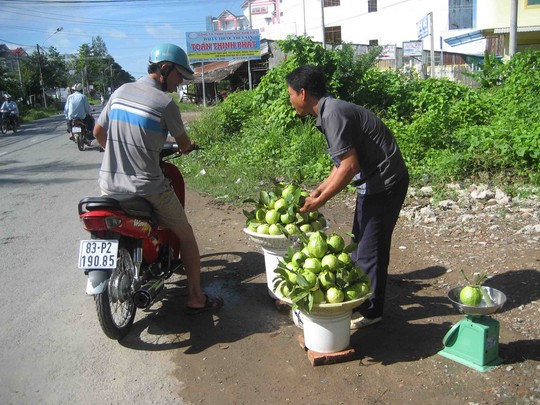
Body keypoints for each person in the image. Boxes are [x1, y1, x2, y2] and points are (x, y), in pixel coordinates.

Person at [93, 43, 223, 314]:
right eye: (179, 77)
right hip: (146, 186)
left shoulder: (119, 93)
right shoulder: (165, 103)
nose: (178, 85)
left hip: (109, 185)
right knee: (186, 234)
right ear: (165, 68)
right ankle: (196, 297)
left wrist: (118, 154)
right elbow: (183, 143)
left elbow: (98, 132)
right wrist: (188, 146)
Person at [285, 65, 409, 329]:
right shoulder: (330, 110)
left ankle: (372, 311)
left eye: (291, 94)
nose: (290, 100)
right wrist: (320, 188)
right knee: (360, 241)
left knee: (370, 248)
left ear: (303, 93)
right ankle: (363, 301)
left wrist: (321, 201)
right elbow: (342, 161)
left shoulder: (333, 114)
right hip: (372, 183)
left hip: (385, 183)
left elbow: (349, 166)